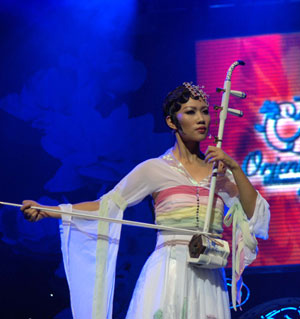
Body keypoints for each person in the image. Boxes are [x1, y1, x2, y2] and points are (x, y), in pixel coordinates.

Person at [21, 82, 270, 319]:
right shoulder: (153, 169)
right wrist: (48, 210)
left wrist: (235, 168)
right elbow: (106, 206)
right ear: (172, 121)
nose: (201, 119)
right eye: (190, 112)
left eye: (205, 112)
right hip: (169, 271)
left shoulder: (219, 173)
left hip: (208, 275)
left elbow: (254, 215)